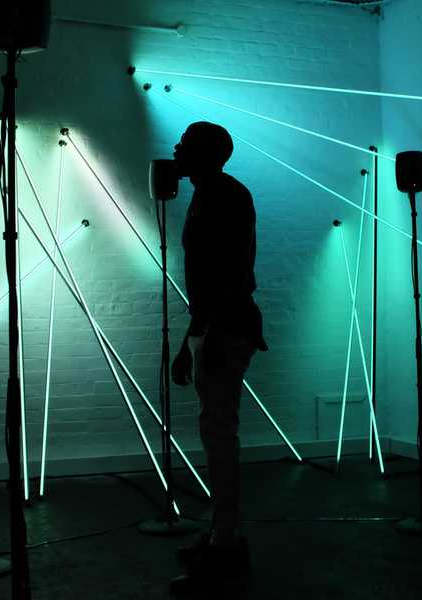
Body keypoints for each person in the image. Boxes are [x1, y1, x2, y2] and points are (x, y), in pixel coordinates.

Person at [169, 121, 268, 593]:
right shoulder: (208, 192)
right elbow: (209, 276)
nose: (176, 149)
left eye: (185, 145)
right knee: (216, 432)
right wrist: (191, 337)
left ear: (206, 154)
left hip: (224, 330)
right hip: (215, 329)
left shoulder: (226, 196)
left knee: (220, 433)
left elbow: (230, 271)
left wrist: (205, 335)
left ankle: (224, 541)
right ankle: (219, 534)